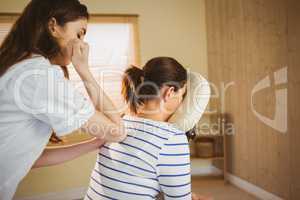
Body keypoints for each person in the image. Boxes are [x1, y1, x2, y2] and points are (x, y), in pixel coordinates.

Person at [0, 0, 126, 199]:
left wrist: (94, 143)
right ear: (53, 27)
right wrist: (84, 71)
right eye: (80, 33)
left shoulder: (17, 66)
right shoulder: (39, 75)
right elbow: (117, 132)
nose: (83, 43)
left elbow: (26, 157)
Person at [85, 57, 210, 200]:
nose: (181, 103)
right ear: (169, 93)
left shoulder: (121, 121)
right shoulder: (172, 138)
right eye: (181, 96)